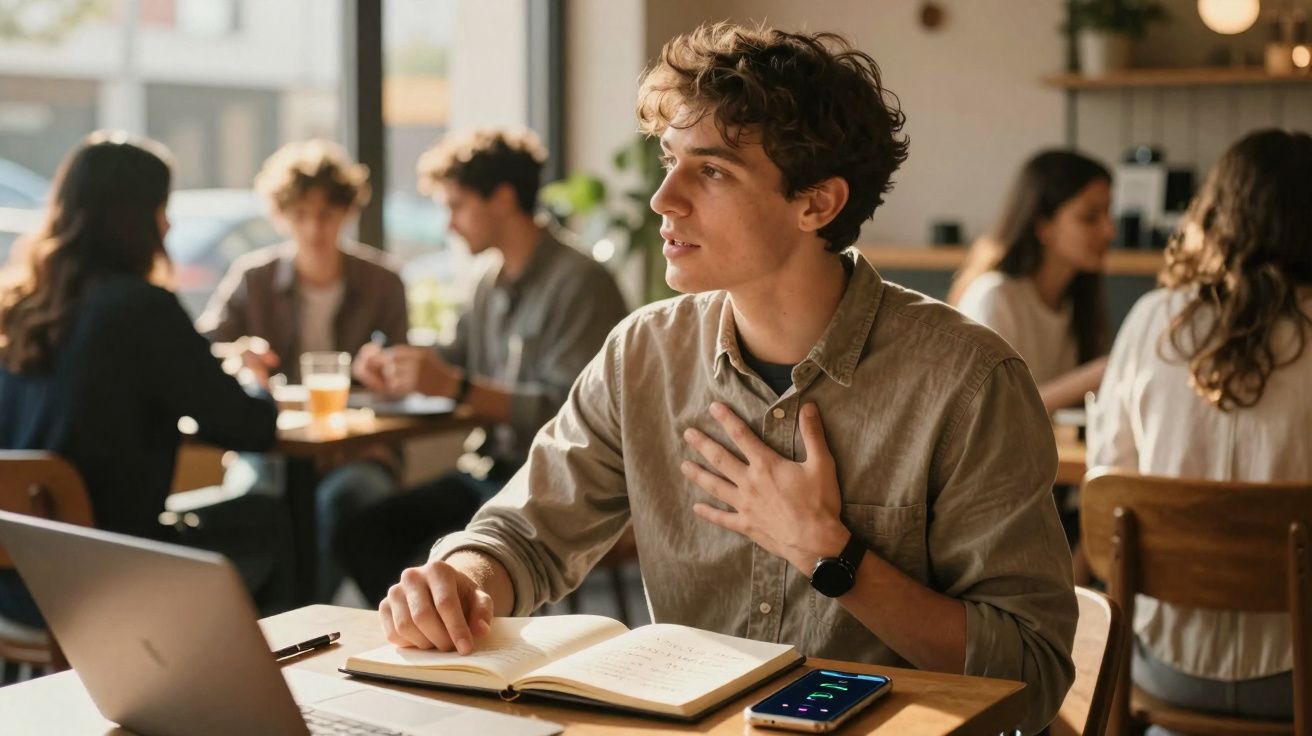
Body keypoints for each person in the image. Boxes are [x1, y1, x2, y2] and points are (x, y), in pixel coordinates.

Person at [377, 25, 1076, 735]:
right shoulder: (642, 354)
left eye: (710, 172)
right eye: (669, 161)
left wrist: (829, 556)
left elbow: (1031, 673)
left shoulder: (968, 381)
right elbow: (525, 536)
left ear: (817, 204)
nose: (663, 200)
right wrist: (461, 579)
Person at [0, 132, 289, 627]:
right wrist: (255, 378)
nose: (170, 222)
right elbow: (251, 427)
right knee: (275, 519)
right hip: (109, 572)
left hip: (15, 579)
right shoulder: (142, 307)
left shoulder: (20, 309)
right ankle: (248, 684)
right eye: (162, 207)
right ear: (137, 218)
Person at [335, 128, 628, 605]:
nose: (449, 225)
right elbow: (453, 358)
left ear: (503, 199)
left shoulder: (581, 283)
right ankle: (435, 648)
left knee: (403, 549)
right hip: (488, 471)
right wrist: (394, 366)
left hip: (546, 481)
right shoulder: (487, 280)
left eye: (456, 206)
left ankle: (463, 647)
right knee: (361, 531)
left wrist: (453, 385)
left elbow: (568, 413)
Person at [1088, 128, 1311, 725]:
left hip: (1165, 665)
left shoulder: (1152, 322)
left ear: (1216, 212)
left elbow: (1106, 497)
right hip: (1300, 674)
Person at [196, 139, 408, 602]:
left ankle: (303, 619)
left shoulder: (382, 282)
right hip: (271, 447)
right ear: (281, 215)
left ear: (347, 212)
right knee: (254, 502)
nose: (314, 227)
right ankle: (268, 624)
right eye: (301, 214)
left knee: (345, 501)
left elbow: (408, 373)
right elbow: (203, 351)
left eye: (327, 214)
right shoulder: (254, 278)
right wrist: (239, 355)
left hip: (360, 448)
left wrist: (385, 372)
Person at [950, 150, 1115, 414]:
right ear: (1044, 226)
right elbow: (990, 411)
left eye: (1109, 214)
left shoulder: (1076, 300)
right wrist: (1097, 374)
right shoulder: (994, 297)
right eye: (1090, 217)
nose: (1109, 230)